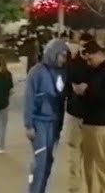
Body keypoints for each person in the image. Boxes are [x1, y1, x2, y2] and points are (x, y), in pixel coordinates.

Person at [24, 39, 70, 193]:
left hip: (54, 123)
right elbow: (29, 98)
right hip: (39, 122)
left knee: (48, 160)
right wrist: (28, 124)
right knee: (40, 160)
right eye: (61, 55)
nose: (63, 59)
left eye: (65, 56)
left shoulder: (63, 72)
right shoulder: (36, 72)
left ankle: (41, 189)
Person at [74, 40, 105, 193]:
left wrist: (87, 91)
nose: (88, 63)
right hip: (88, 122)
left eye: (90, 59)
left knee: (102, 165)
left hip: (101, 124)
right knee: (89, 165)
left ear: (99, 54)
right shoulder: (94, 70)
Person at [63, 33, 95, 193]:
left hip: (89, 116)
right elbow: (67, 86)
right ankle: (74, 186)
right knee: (74, 150)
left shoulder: (95, 65)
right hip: (76, 112)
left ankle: (83, 185)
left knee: (86, 152)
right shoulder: (75, 63)